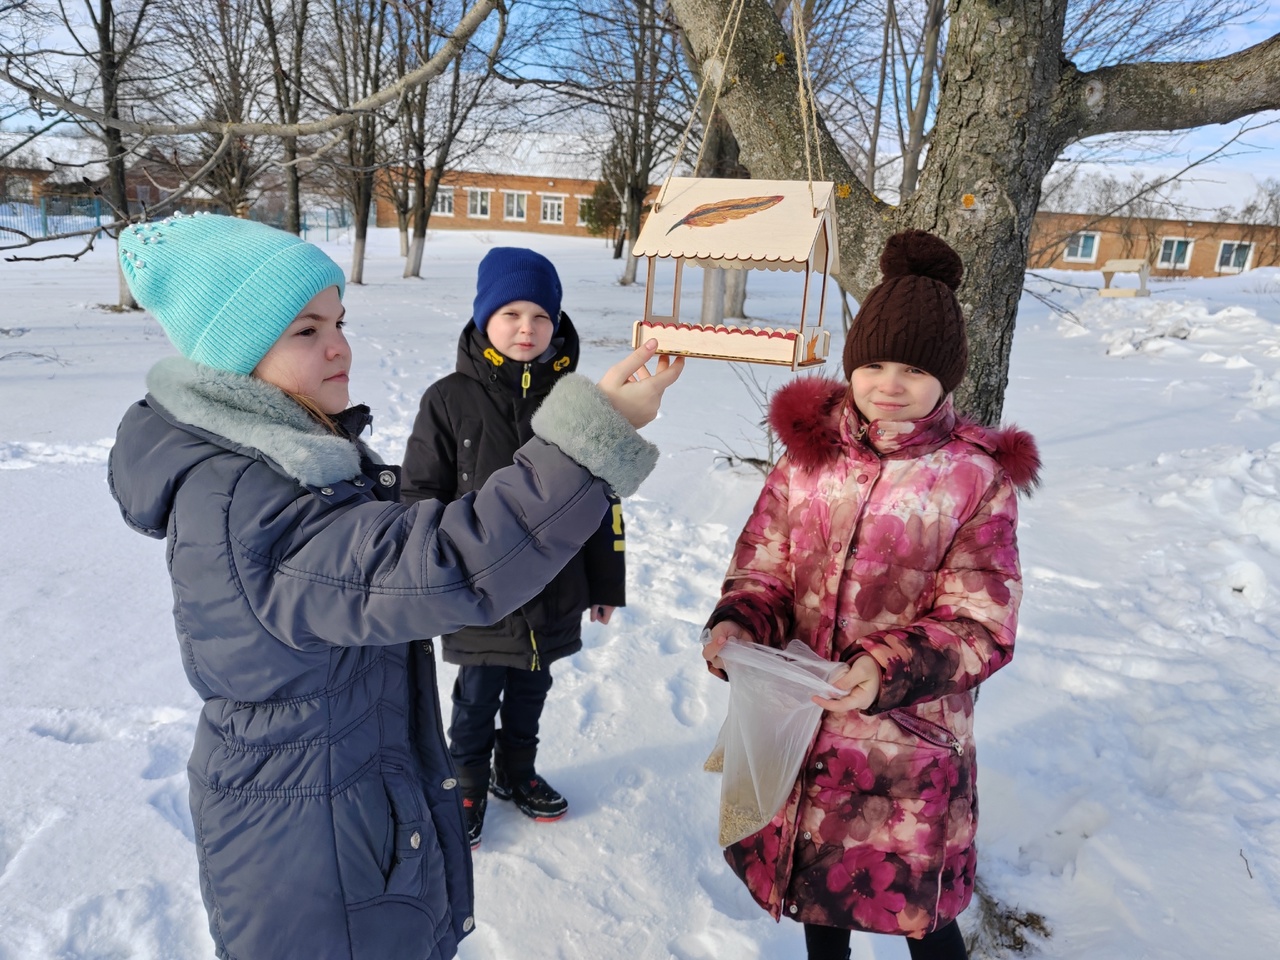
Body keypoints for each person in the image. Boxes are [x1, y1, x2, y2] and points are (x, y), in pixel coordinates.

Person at [106, 213, 682, 960]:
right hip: (311, 845)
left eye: (338, 321)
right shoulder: (249, 500)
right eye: (305, 331)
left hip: (341, 809)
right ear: (235, 352)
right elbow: (445, 563)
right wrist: (592, 439)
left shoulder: (294, 458)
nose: (340, 345)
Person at [700, 230, 1039, 960]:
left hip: (906, 748)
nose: (889, 383)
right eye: (875, 363)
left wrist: (884, 667)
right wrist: (739, 623)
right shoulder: (808, 461)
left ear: (946, 378)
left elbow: (981, 622)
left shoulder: (973, 478)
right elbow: (764, 565)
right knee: (819, 899)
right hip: (803, 726)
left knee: (918, 910)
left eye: (913, 369)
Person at [401, 247, 624, 848]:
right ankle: (467, 781)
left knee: (532, 685)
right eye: (511, 314)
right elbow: (420, 493)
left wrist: (605, 584)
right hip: (477, 586)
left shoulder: (576, 402)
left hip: (557, 584)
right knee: (476, 695)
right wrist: (424, 577)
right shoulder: (447, 399)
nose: (527, 328)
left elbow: (601, 497)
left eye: (541, 317)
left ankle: (515, 771)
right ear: (483, 319)